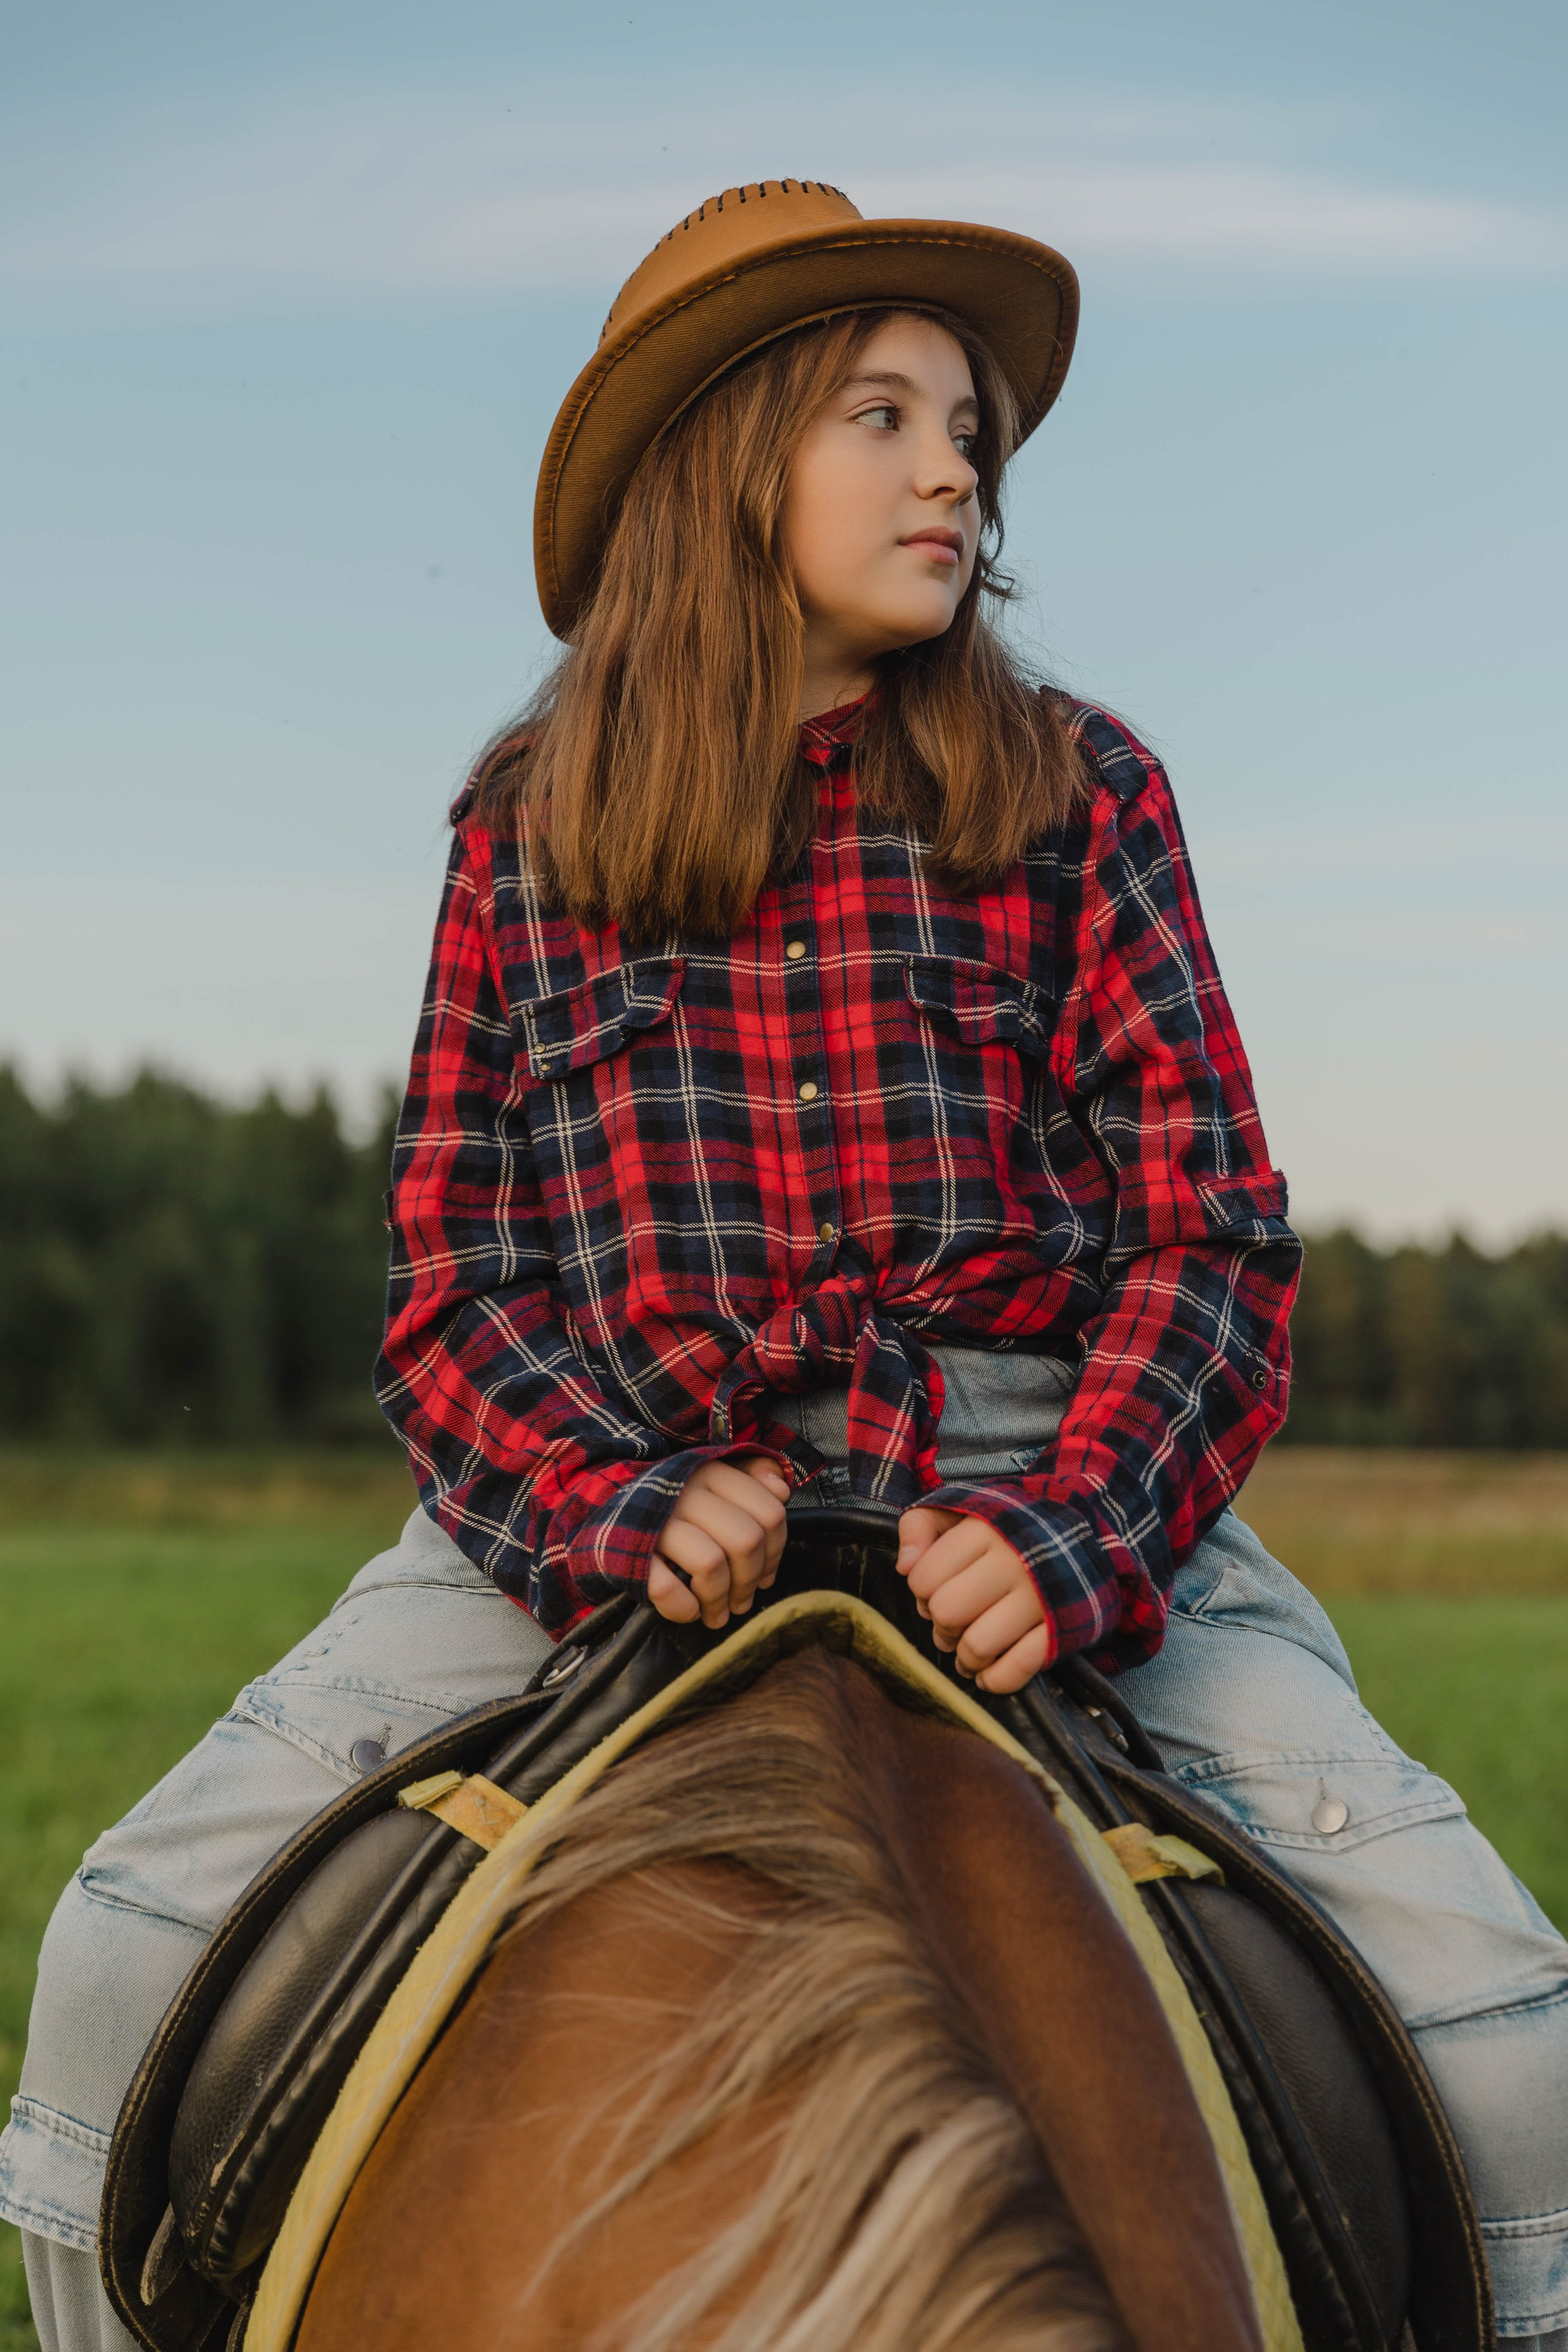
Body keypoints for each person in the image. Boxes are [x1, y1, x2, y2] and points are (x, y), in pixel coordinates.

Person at [3, 180, 1564, 2351]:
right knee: (108, 1970)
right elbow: (455, 1289)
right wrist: (613, 1504)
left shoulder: (1085, 789)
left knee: (1515, 2048)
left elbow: (1208, 1234)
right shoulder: (527, 826)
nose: (956, 471)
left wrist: (1080, 1527)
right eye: (886, 415)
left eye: (972, 435)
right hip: (614, 1492)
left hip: (1036, 1485)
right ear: (729, 461)